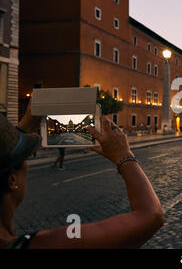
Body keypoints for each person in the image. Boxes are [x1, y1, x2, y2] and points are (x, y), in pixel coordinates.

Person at [0, 101, 164, 249]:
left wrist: (19, 132)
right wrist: (124, 155)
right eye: (24, 159)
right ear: (12, 179)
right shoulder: (49, 244)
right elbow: (151, 215)